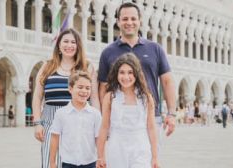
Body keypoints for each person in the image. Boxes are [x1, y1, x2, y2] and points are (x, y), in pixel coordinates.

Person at [97, 2, 176, 139]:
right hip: (118, 119)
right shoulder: (107, 52)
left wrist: (172, 113)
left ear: (140, 21)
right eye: (125, 19)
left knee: (152, 159)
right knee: (119, 159)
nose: (129, 22)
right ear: (118, 21)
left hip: (151, 118)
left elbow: (167, 82)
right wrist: (105, 119)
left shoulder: (155, 49)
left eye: (133, 19)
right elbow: (103, 88)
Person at [32, 28, 100, 168]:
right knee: (50, 163)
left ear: (78, 46)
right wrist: (37, 123)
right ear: (58, 45)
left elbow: (94, 97)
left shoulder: (87, 67)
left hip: (80, 121)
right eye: (66, 41)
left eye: (73, 42)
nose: (69, 45)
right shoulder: (47, 66)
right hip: (50, 120)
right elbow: (37, 97)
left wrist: (98, 124)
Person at [97, 53, 159, 168]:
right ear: (116, 74)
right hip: (117, 147)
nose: (126, 77)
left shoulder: (146, 97)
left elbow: (151, 127)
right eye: (122, 72)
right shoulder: (110, 97)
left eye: (130, 72)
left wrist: (155, 157)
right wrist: (100, 156)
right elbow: (104, 127)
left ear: (136, 74)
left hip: (140, 147)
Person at [49, 71, 101, 168]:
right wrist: (52, 162)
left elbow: (99, 138)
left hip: (90, 163)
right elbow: (55, 138)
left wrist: (101, 158)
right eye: (80, 87)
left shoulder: (95, 114)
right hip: (68, 163)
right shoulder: (61, 113)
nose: (84, 91)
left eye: (88, 88)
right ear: (70, 89)